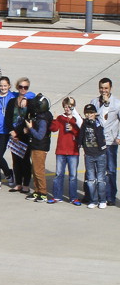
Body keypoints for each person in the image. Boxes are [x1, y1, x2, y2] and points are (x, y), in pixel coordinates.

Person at [87, 78, 118, 207]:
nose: (103, 90)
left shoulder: (116, 103)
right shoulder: (94, 102)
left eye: (106, 88)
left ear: (110, 88)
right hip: (96, 141)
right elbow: (92, 118)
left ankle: (110, 196)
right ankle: (93, 195)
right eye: (101, 88)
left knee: (110, 169)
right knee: (94, 169)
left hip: (110, 141)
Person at [49, 98, 81, 205]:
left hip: (73, 151)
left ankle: (73, 197)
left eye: (70, 106)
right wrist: (54, 119)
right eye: (66, 106)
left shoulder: (77, 119)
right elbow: (53, 129)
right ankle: (57, 196)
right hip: (61, 151)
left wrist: (73, 128)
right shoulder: (60, 118)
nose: (67, 108)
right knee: (59, 174)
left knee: (73, 176)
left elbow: (81, 133)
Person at [26, 90, 53, 202]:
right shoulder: (42, 116)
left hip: (40, 147)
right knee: (35, 169)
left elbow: (40, 135)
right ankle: (37, 191)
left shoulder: (42, 120)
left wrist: (30, 127)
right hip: (36, 146)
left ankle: (43, 192)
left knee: (39, 170)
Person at [80, 104, 108, 209]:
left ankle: (102, 200)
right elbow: (81, 134)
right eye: (87, 113)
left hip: (100, 154)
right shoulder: (84, 124)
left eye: (91, 113)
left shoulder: (98, 123)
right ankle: (93, 200)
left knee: (101, 179)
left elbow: (101, 128)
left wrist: (94, 122)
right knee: (91, 180)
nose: (89, 115)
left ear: (95, 114)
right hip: (89, 155)